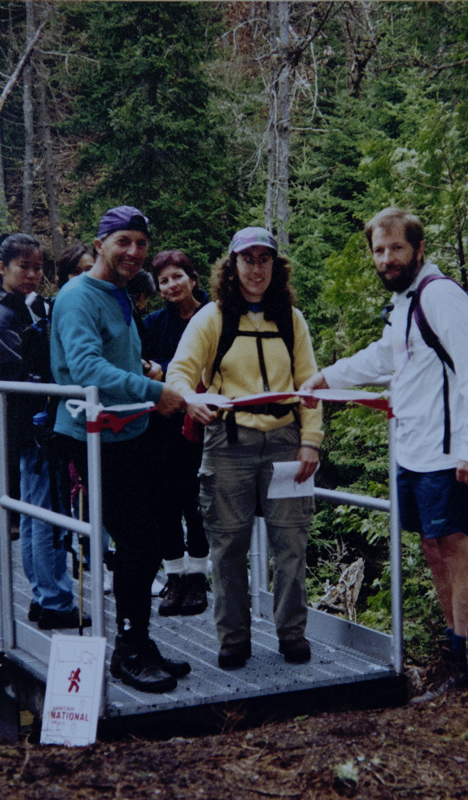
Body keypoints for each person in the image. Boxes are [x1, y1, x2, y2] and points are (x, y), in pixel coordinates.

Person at [300, 207, 468, 688]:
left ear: (419, 250)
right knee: (434, 549)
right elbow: (385, 355)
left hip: (452, 452)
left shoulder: (441, 296)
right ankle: (455, 653)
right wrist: (327, 378)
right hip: (415, 451)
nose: (387, 259)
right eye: (379, 250)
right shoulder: (406, 303)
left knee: (458, 547)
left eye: (396, 249)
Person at [166, 226, 322, 670]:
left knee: (291, 544)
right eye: (248, 259)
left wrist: (311, 441)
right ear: (232, 266)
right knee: (228, 544)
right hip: (229, 444)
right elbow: (180, 371)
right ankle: (233, 638)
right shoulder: (212, 318)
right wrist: (190, 399)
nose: (257, 268)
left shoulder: (292, 319)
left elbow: (310, 385)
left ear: (276, 266)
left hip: (286, 444)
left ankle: (292, 633)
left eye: (264, 259)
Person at [49, 204, 188, 693]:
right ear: (99, 244)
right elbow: (85, 368)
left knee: (147, 542)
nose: (133, 252)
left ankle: (141, 642)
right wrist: (156, 392)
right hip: (96, 438)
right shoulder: (78, 296)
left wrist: (147, 369)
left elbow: (115, 358)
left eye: (141, 244)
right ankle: (129, 650)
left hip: (130, 432)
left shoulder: (119, 294)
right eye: (123, 241)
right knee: (136, 543)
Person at [0, 233, 85, 631]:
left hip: (30, 424)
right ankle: (55, 600)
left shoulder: (28, 308)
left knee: (33, 513)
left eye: (38, 267)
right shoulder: (0, 315)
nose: (32, 274)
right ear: (2, 267)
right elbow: (19, 372)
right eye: (23, 266)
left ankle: (45, 597)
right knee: (46, 513)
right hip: (34, 426)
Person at [140, 250, 210, 617]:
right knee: (164, 502)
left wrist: (162, 370)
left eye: (177, 277)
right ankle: (175, 577)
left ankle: (198, 577)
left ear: (193, 279)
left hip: (204, 422)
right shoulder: (153, 324)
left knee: (196, 502)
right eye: (164, 281)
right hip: (163, 424)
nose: (171, 286)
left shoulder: (215, 315)